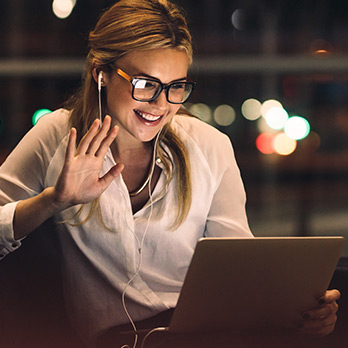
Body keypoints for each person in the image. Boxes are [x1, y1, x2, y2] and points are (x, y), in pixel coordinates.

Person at [0, 0, 340, 347]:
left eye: (176, 86)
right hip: (118, 339)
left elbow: (239, 267)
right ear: (101, 74)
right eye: (146, 83)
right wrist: (52, 201)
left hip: (206, 334)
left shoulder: (209, 146)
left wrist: (300, 312)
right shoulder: (58, 135)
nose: (161, 104)